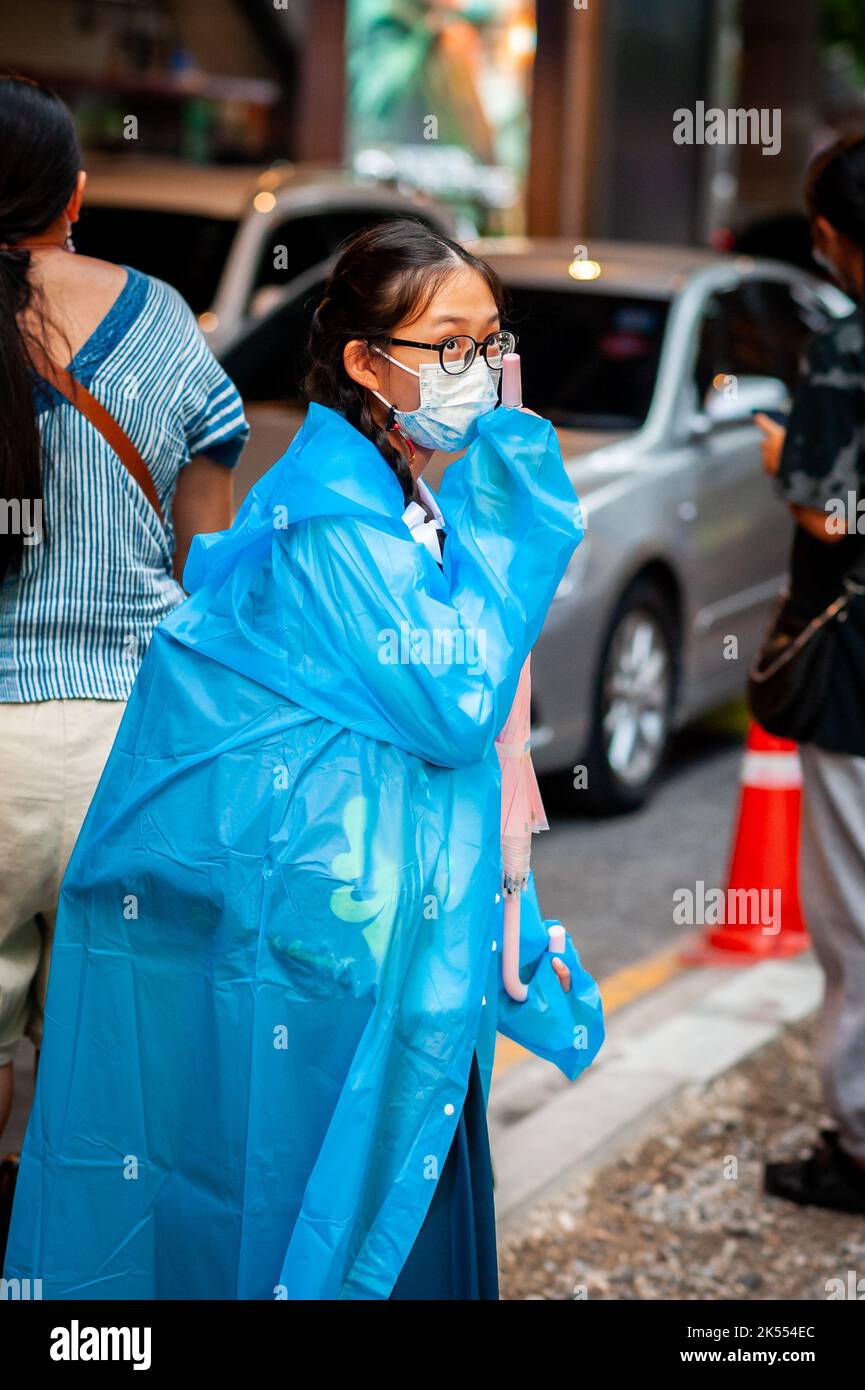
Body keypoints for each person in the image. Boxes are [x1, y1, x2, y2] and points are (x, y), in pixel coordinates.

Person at [3, 218, 604, 1299]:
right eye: (449, 345)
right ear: (369, 363)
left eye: (490, 342)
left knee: (367, 1192)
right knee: (328, 1209)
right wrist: (521, 498)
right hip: (339, 954)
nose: (480, 371)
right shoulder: (334, 518)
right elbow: (456, 701)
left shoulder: (403, 489)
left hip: (388, 937)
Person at [0, 74, 249, 1162]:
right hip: (133, 744)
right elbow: (209, 570)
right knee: (96, 1065)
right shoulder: (161, 321)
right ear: (76, 194)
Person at [757, 135, 865, 1214]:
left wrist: (774, 454)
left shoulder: (846, 346)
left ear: (834, 237)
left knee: (852, 919)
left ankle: (859, 1141)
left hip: (857, 675)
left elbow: (826, 511)